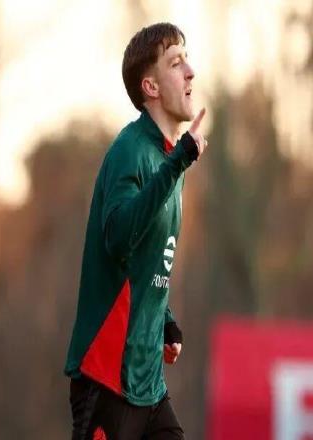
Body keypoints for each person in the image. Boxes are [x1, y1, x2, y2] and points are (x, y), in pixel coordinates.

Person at [64, 22, 208, 440]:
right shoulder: (131, 151)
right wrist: (179, 162)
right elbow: (119, 237)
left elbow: (144, 259)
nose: (190, 72)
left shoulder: (170, 160)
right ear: (151, 86)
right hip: (107, 379)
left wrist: (165, 320)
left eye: (187, 60)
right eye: (176, 63)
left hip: (150, 388)